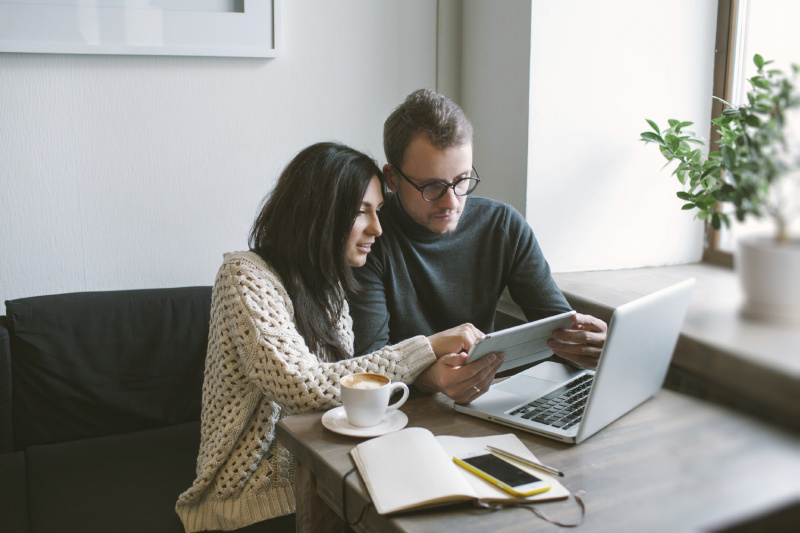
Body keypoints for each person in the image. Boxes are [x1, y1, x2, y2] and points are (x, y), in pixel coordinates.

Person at [175, 142, 503, 532]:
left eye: (378, 211)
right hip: (249, 500)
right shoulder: (243, 276)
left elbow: (339, 391)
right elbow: (303, 386)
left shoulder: (329, 287)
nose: (377, 229)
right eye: (362, 211)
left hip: (325, 472)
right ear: (318, 212)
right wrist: (427, 347)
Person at [349, 89, 607, 375]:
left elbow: (557, 330)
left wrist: (587, 346)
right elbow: (370, 365)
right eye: (431, 186)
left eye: (462, 180)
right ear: (392, 178)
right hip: (402, 406)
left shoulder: (503, 225)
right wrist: (431, 379)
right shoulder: (366, 238)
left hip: (484, 393)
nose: (452, 202)